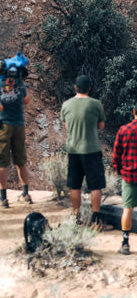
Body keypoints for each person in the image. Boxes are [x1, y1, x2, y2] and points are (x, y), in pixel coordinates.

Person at [61, 74, 107, 225]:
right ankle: (96, 217)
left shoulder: (66, 105)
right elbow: (100, 126)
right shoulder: (96, 104)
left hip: (74, 149)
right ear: (89, 88)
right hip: (92, 149)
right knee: (95, 185)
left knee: (75, 185)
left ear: (75, 87)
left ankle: (76, 216)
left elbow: (67, 126)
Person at [0, 58, 33, 207]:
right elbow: (26, 101)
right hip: (19, 125)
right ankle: (25, 195)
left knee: (2, 164)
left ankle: (3, 199)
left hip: (2, 126)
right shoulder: (19, 83)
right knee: (21, 162)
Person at [113, 107, 137, 255]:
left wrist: (119, 171)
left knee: (127, 209)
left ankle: (125, 242)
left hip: (129, 175)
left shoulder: (124, 129)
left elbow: (116, 155)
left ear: (134, 112)